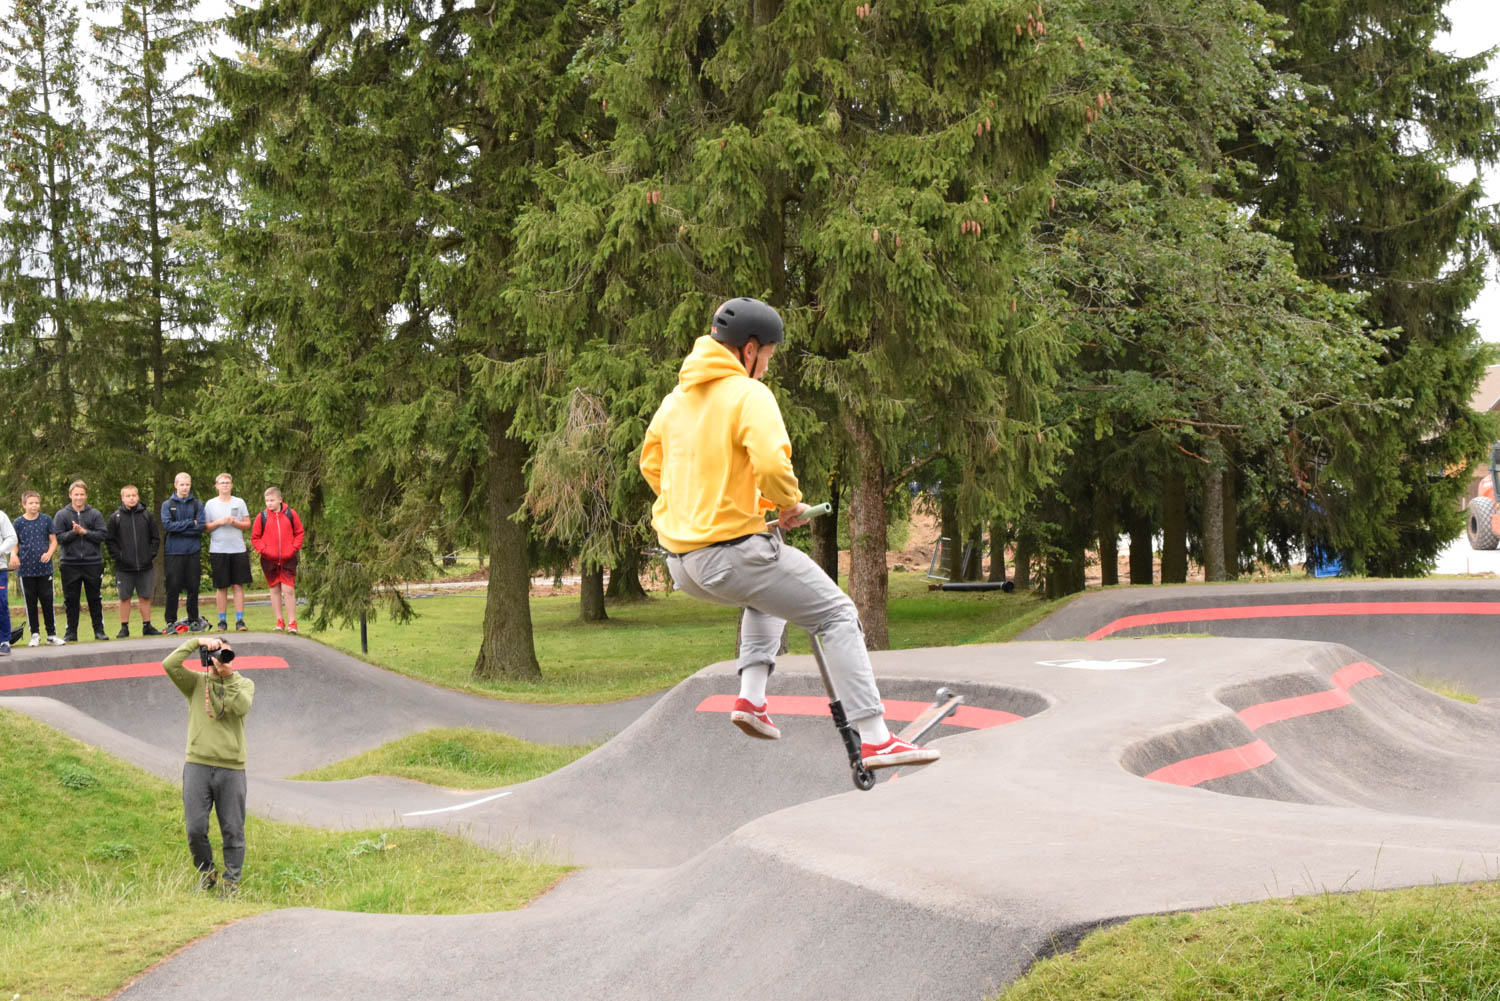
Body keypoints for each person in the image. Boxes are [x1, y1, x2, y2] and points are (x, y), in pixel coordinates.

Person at [639, 297, 939, 770]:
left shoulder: (674, 402)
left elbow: (652, 466)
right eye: (768, 357)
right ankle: (876, 738)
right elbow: (772, 464)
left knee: (770, 592)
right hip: (732, 555)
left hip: (683, 563)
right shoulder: (748, 394)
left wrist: (718, 509)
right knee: (837, 614)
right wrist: (785, 503)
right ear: (750, 349)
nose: (766, 368)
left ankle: (752, 699)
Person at [162, 635, 252, 894]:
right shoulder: (195, 683)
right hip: (197, 765)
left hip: (231, 767)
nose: (222, 659)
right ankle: (206, 871)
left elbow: (241, 707)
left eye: (227, 654)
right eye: (217, 654)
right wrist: (196, 642)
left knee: (233, 829)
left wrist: (227, 677)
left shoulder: (244, 683)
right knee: (195, 828)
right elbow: (170, 664)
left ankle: (231, 882)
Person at [54, 480, 109, 643]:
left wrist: (84, 532)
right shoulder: (62, 515)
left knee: (95, 598)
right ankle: (71, 632)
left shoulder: (95, 514)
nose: (79, 497)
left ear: (86, 495)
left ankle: (99, 630)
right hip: (69, 563)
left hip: (93, 562)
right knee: (71, 600)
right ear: (70, 495)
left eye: (82, 494)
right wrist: (74, 532)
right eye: (76, 494)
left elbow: (102, 535)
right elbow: (59, 538)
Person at [106, 484, 163, 637]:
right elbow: (110, 541)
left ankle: (147, 625)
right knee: (125, 597)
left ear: (137, 497)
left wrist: (150, 555)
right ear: (122, 498)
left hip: (145, 566)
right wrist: (120, 557)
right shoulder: (116, 517)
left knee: (145, 596)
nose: (131, 498)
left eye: (134, 495)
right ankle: (124, 627)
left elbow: (155, 538)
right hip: (124, 567)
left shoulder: (147, 515)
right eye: (128, 496)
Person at [12, 490, 65, 646]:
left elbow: (53, 541)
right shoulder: (18, 522)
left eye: (36, 503)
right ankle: (35, 634)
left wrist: (49, 553)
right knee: (31, 603)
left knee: (47, 602)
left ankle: (51, 634)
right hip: (26, 570)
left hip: (44, 569)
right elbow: (15, 543)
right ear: (24, 505)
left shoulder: (46, 519)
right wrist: (14, 555)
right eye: (31, 503)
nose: (34, 506)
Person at [250, 486, 304, 634]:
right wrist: (264, 550)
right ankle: (279, 620)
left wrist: (293, 548)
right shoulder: (262, 517)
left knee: (288, 589)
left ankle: (292, 622)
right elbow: (255, 537)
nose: (269, 503)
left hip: (288, 558)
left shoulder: (290, 514)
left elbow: (299, 533)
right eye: (267, 501)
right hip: (269, 560)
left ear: (280, 500)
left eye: (272, 500)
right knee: (274, 589)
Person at [204, 473, 252, 632]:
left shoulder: (239, 502)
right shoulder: (210, 504)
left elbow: (247, 524)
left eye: (227, 482)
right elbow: (205, 527)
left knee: (237, 585)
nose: (224, 485)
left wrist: (234, 522)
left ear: (231, 485)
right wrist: (219, 522)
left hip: (237, 549)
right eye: (221, 482)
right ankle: (222, 621)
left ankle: (240, 620)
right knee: (221, 586)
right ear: (216, 485)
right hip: (218, 549)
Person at [161, 472, 207, 632]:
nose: (185, 487)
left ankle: (193, 619)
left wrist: (181, 528)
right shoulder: (167, 505)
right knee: (172, 587)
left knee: (193, 587)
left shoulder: (197, 504)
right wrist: (189, 523)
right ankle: (170, 621)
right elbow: (168, 526)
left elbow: (200, 527)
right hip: (174, 552)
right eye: (182, 484)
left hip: (192, 551)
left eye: (187, 484)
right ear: (176, 485)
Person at [0, 504, 15, 656]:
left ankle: (4, 642)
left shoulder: (1, 516)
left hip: (0, 569)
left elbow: (12, 538)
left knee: (1, 604)